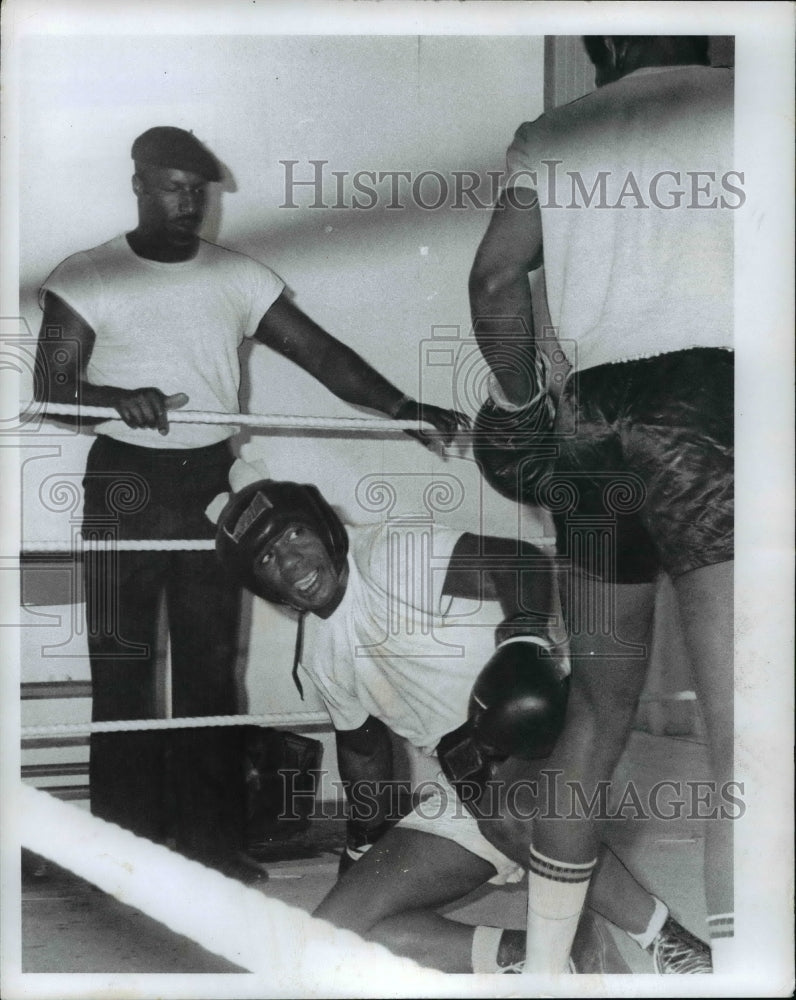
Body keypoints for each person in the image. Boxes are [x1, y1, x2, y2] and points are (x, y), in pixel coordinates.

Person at [33, 126, 465, 883]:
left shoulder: (236, 276)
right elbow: (52, 391)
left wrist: (405, 407)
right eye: (173, 187)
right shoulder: (90, 272)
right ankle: (121, 854)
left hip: (209, 484)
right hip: (122, 484)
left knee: (209, 665)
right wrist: (114, 399)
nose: (188, 203)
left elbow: (320, 354)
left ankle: (207, 848)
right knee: (123, 662)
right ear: (138, 183)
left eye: (199, 190)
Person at [213, 474, 713, 973]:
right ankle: (543, 958)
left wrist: (521, 642)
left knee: (506, 811)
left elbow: (516, 562)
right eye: (268, 559)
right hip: (469, 785)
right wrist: (362, 844)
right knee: (335, 933)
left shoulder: (388, 553)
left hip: (554, 734)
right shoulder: (318, 655)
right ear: (262, 585)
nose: (291, 561)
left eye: (294, 535)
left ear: (322, 526)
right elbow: (363, 751)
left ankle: (667, 942)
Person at [468, 36, 734, 971]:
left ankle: (544, 975)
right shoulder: (752, 101)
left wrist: (519, 409)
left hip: (590, 419)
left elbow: (496, 283)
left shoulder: (556, 128)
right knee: (743, 736)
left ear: (602, 44)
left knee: (592, 715)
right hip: (715, 405)